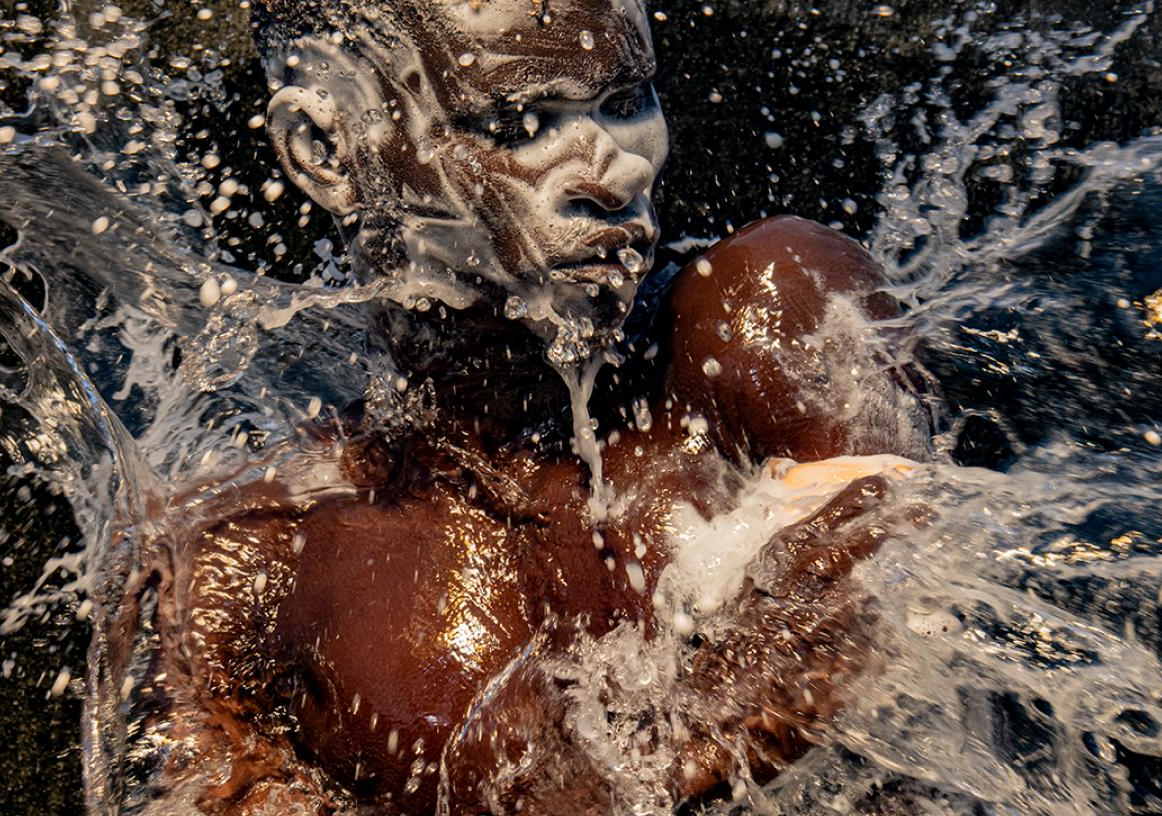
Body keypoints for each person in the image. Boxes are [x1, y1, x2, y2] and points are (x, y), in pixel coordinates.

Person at [91, 1, 929, 813]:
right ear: (328, 152)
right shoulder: (245, 564)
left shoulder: (770, 316)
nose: (616, 173)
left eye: (626, 102)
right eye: (522, 125)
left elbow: (902, 613)